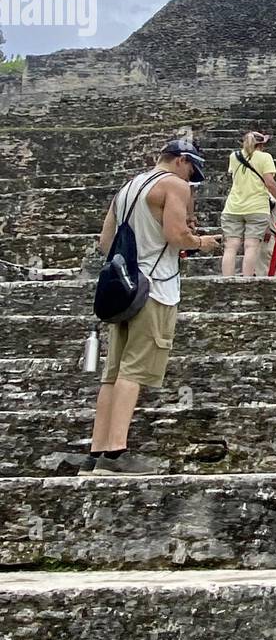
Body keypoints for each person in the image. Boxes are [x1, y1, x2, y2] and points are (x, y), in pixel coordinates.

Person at [79, 140, 220, 475]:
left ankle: (95, 453)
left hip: (124, 288)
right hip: (155, 288)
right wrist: (202, 242)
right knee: (134, 370)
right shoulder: (174, 185)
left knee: (112, 374)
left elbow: (105, 241)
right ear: (182, 161)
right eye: (192, 169)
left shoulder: (127, 188)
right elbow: (176, 236)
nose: (192, 178)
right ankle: (116, 454)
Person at [221, 131, 276, 277]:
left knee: (230, 247)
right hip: (257, 207)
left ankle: (227, 280)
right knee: (251, 246)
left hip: (233, 206)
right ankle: (247, 280)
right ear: (262, 144)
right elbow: (270, 183)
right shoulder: (265, 157)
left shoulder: (234, 156)